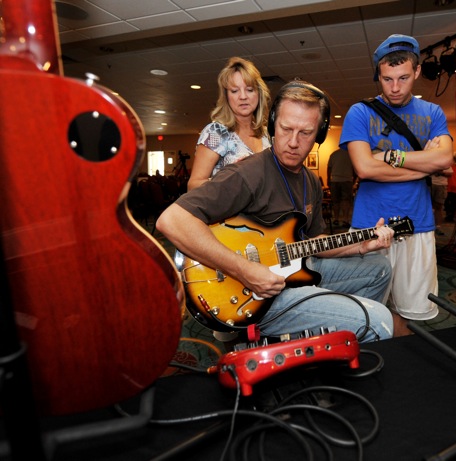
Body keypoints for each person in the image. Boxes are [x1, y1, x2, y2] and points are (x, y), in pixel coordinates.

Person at [157, 81, 395, 343]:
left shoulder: (311, 181)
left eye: (305, 133)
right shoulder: (250, 172)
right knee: (380, 321)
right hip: (258, 294)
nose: (293, 142)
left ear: (319, 134)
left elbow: (310, 244)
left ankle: (339, 344)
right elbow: (172, 220)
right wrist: (245, 270)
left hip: (296, 270)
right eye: (286, 129)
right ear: (272, 124)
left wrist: (360, 245)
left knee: (380, 268)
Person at [340, 34, 454, 336]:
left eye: (403, 78)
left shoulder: (432, 113)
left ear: (417, 72)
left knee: (410, 313)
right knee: (363, 313)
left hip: (417, 224)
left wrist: (390, 157)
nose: (394, 87)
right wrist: (422, 165)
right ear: (378, 74)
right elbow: (364, 168)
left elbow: (444, 159)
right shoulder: (360, 112)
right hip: (370, 224)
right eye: (386, 79)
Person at [187, 57, 271, 191]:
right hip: (229, 211)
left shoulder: (267, 134)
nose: (243, 96)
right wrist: (229, 180)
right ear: (226, 96)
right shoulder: (216, 132)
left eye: (249, 89)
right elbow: (192, 186)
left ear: (259, 94)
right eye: (235, 90)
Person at [327, 148, 355, 228]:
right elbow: (354, 168)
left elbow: (329, 168)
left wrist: (328, 179)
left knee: (335, 201)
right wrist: (354, 179)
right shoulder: (350, 154)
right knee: (346, 201)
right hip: (347, 179)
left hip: (335, 180)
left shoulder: (334, 154)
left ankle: (336, 219)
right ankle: (345, 220)